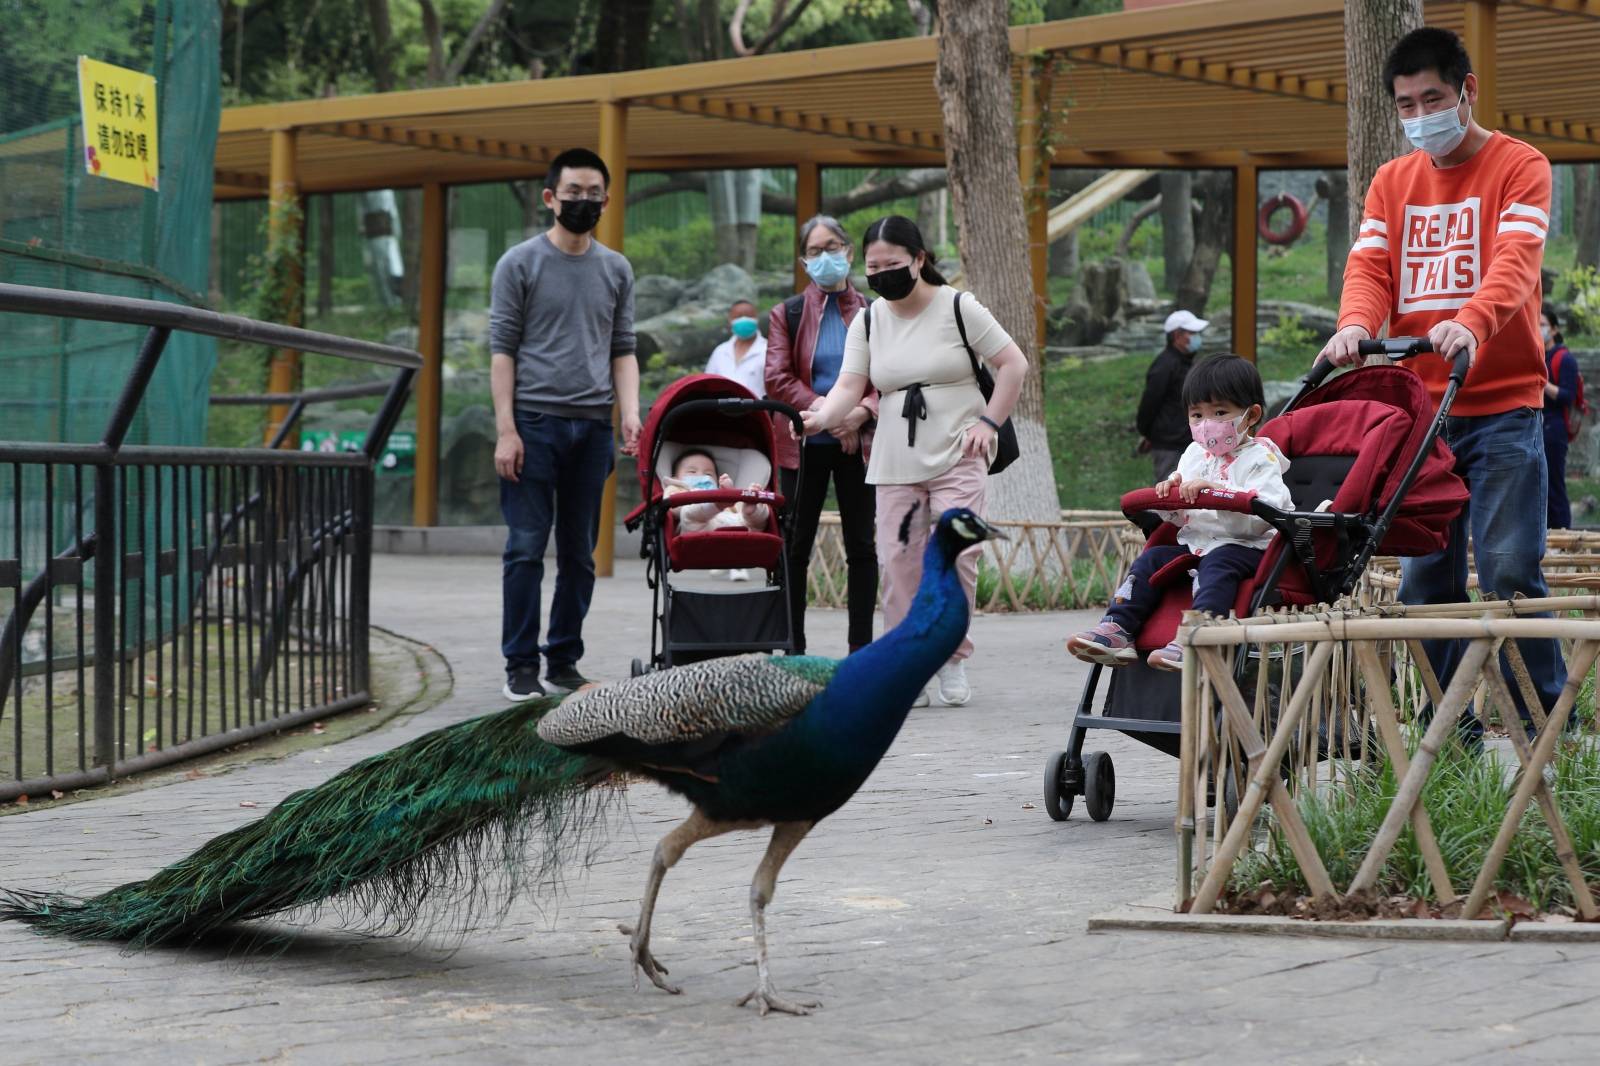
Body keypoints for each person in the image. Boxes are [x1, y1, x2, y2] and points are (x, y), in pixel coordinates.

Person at [1317, 27, 1562, 738]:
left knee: (1512, 567)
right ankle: (1443, 725)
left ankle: (1542, 723)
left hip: (1501, 407)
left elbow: (1516, 259)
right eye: (1405, 103)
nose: (1420, 113)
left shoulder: (1521, 165)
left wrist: (1474, 320)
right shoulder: (1393, 181)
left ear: (1466, 92)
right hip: (1421, 410)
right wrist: (1354, 325)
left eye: (1433, 97)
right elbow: (1369, 269)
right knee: (1427, 578)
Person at [800, 215, 1027, 707]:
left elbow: (1013, 364)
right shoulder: (868, 318)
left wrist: (987, 424)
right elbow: (848, 385)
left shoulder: (958, 307)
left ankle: (951, 658)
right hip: (895, 457)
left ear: (919, 259)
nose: (881, 275)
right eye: (873, 267)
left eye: (893, 264)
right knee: (898, 562)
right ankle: (907, 664)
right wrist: (821, 419)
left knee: (958, 558)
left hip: (958, 451)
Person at [489, 146, 640, 702]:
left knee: (579, 553)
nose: (583, 202)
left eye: (593, 194)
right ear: (550, 198)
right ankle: (520, 666)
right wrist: (507, 429)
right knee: (526, 547)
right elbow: (502, 350)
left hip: (591, 428)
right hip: (533, 424)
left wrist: (629, 412)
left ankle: (564, 660)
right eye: (572, 193)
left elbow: (622, 349)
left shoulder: (616, 269)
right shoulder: (519, 264)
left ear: (606, 198)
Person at [1068, 355, 1292, 672]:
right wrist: (1170, 497)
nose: (1206, 424)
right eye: (1197, 415)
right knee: (1153, 558)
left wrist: (1214, 491)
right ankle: (1119, 628)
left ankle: (1199, 636)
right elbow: (1181, 516)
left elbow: (1264, 515)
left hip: (1247, 546)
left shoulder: (1260, 459)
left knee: (1219, 563)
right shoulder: (1193, 455)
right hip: (1197, 542)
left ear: (1250, 415)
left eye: (1219, 413)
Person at [765, 215, 878, 658]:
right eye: (815, 251)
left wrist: (860, 413)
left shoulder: (874, 310)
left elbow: (887, 375)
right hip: (803, 444)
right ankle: (793, 649)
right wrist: (833, 416)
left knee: (862, 549)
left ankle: (861, 650)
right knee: (794, 547)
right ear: (803, 260)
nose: (825, 257)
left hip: (860, 443)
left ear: (849, 253)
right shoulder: (786, 313)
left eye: (833, 247)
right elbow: (777, 378)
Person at [1137, 310, 1208, 481]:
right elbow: (1150, 403)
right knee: (1168, 494)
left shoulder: (1187, 363)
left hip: (1187, 442)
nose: (1197, 337)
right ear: (1177, 335)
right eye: (1192, 333)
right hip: (1169, 445)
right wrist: (1147, 433)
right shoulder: (1165, 365)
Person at [663, 450, 771, 539]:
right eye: (692, 472)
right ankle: (717, 503)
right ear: (675, 478)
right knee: (688, 513)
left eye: (708, 474)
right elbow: (672, 507)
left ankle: (752, 508)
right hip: (699, 528)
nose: (701, 476)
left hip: (735, 524)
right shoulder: (676, 487)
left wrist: (747, 503)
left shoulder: (726, 493)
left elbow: (737, 508)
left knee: (753, 520)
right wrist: (697, 496)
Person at [1542, 308, 1577, 531]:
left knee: (1554, 485)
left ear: (1554, 329)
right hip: (1538, 426)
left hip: (1554, 429)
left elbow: (1567, 396)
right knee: (1540, 488)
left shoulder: (1565, 359)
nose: (1539, 329)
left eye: (1542, 324)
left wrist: (1541, 383)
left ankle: (1564, 536)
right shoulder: (1540, 355)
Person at [705, 299, 768, 399]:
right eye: (738, 316)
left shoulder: (769, 350)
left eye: (748, 316)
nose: (743, 319)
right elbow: (707, 384)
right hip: (721, 412)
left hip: (759, 411)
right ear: (730, 320)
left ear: (756, 318)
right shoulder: (720, 352)